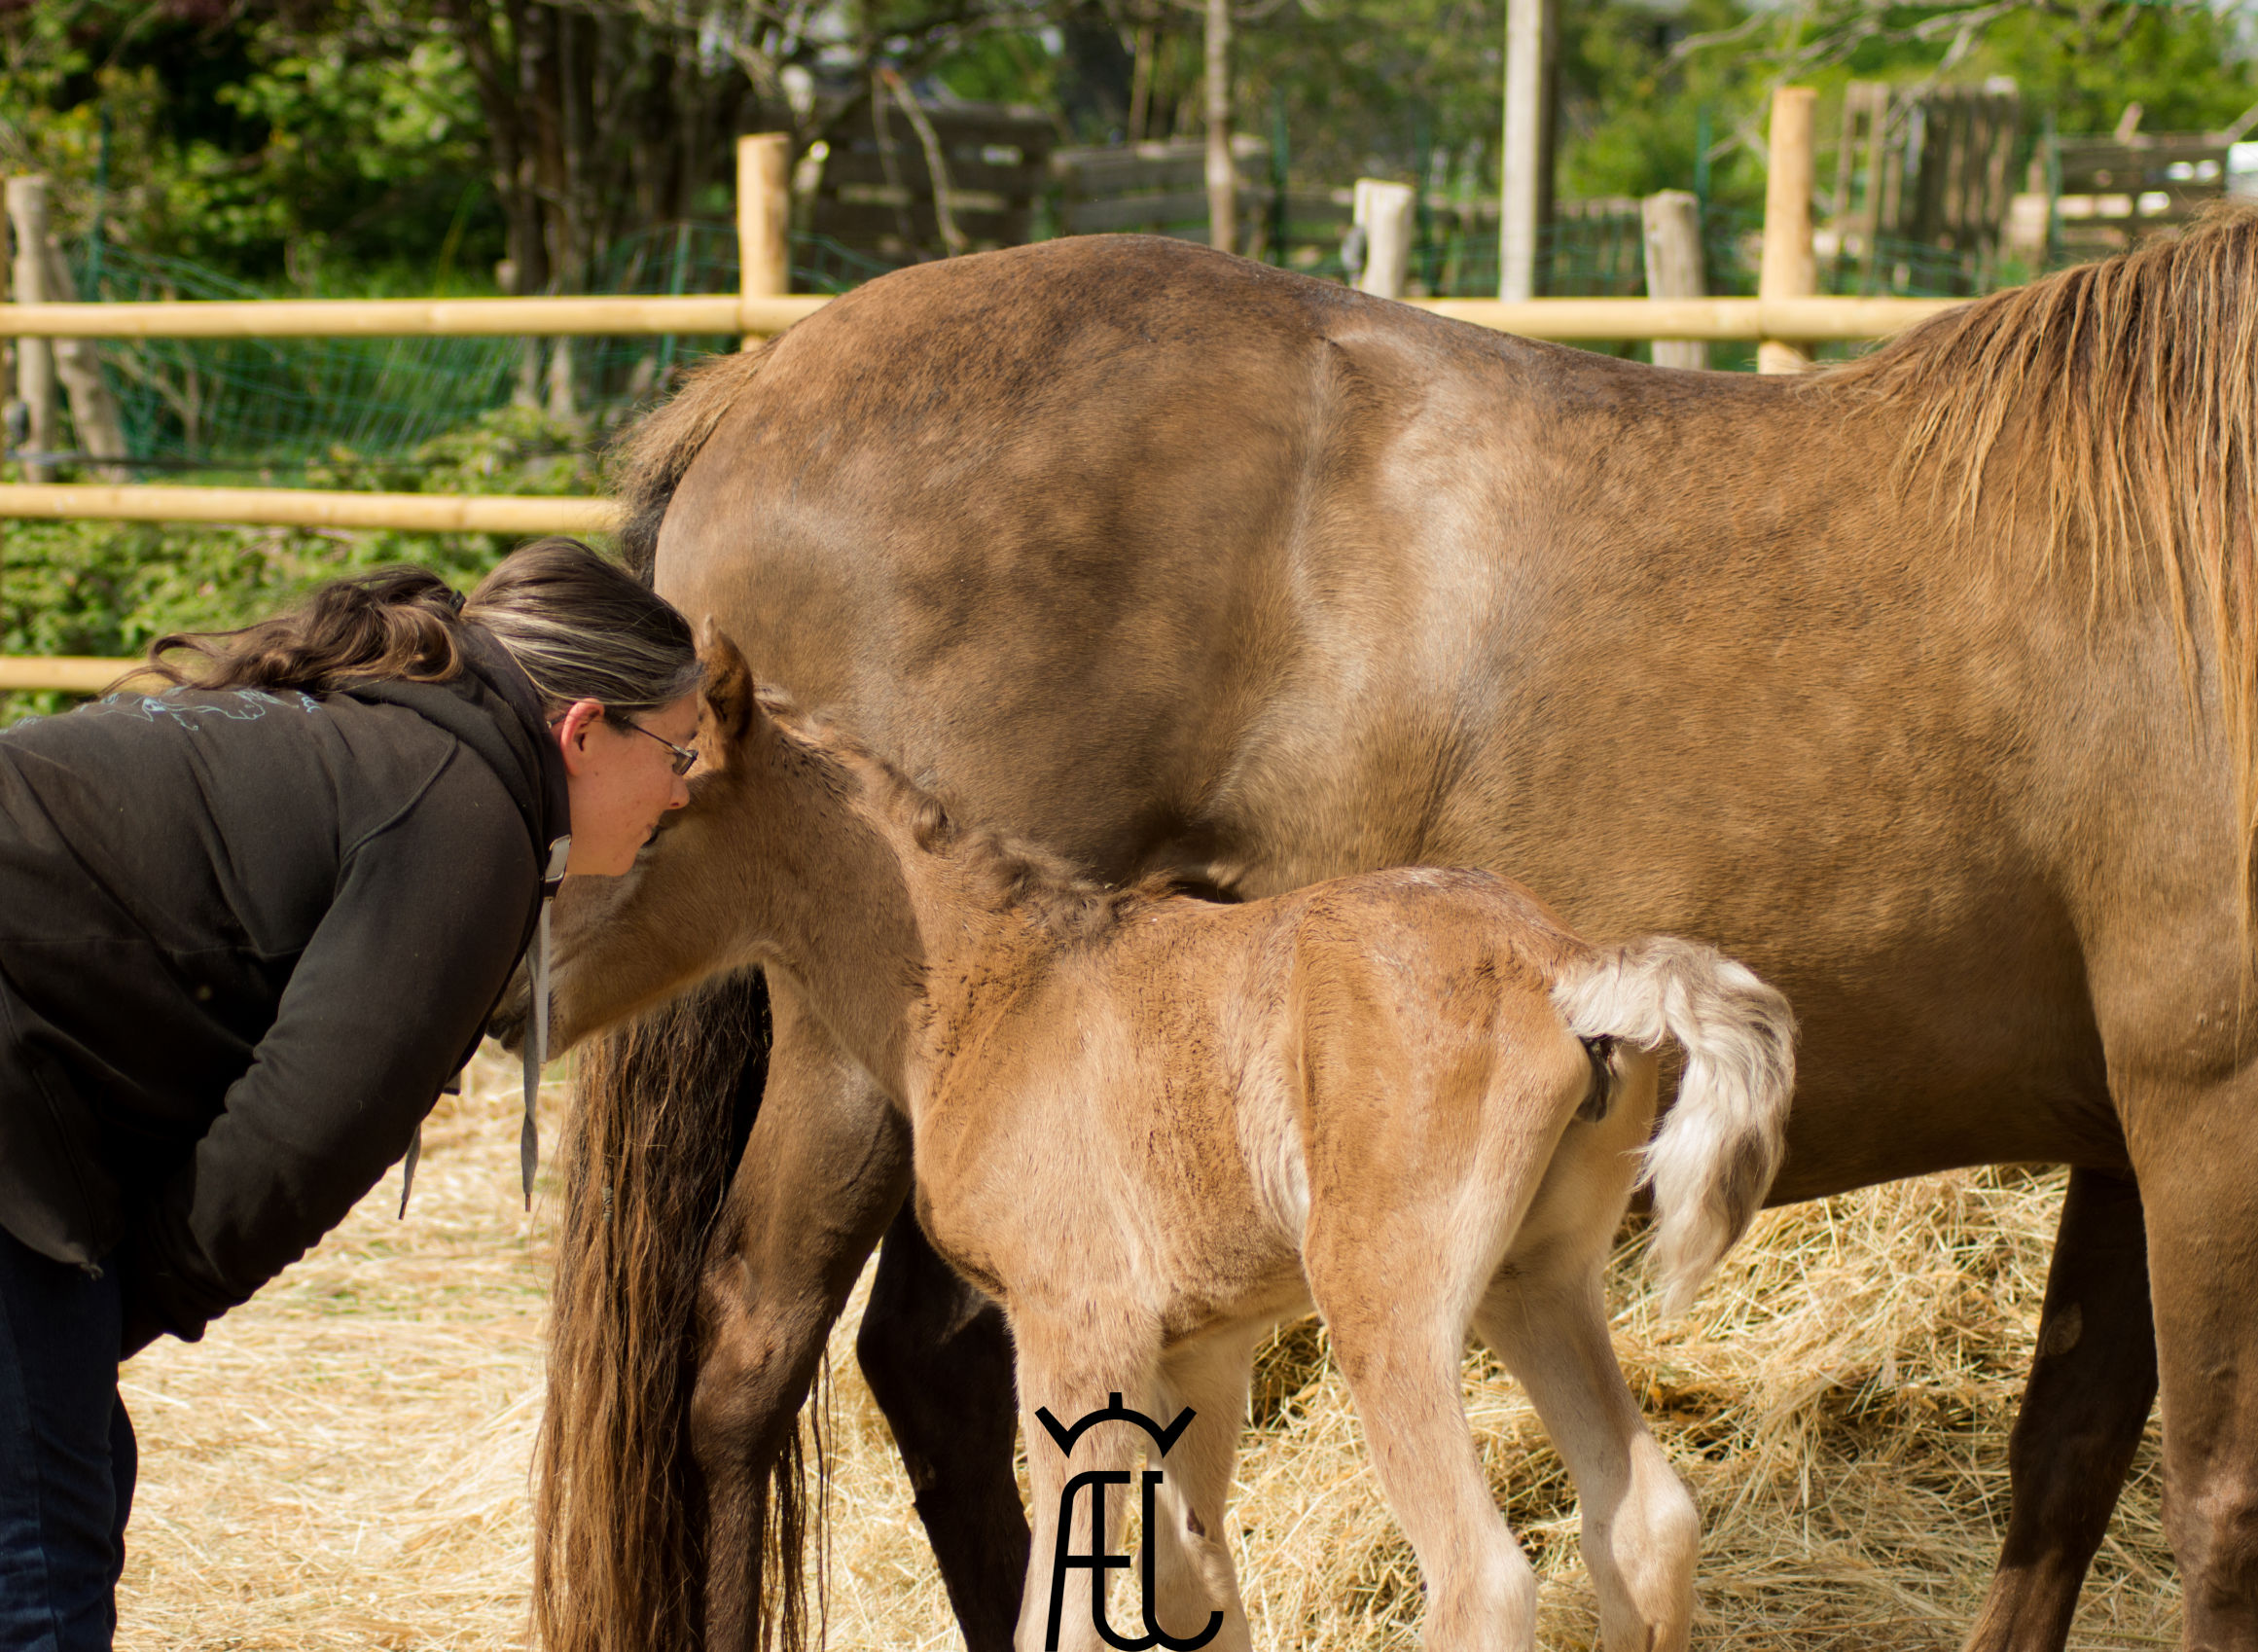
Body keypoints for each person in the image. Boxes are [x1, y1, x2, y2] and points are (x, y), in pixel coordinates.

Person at [0, 536, 702, 1650]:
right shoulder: (468, 822)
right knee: (34, 1575)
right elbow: (294, 1142)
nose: (682, 790)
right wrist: (100, 1320)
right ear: (580, 730)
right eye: (678, 751)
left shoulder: (371, 730)